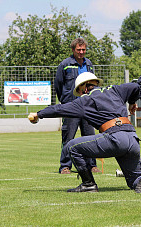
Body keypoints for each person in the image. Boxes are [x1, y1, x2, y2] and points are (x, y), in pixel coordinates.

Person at [28, 72, 141, 193]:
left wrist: (38, 114)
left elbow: (59, 109)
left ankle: (88, 184)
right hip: (132, 138)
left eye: (80, 91)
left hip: (116, 138)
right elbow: (136, 87)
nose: (80, 94)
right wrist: (132, 102)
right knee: (134, 182)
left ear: (84, 87)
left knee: (72, 147)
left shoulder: (85, 100)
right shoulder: (114, 90)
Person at [54, 37, 101, 174]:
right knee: (68, 137)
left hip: (87, 106)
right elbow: (58, 84)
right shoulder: (65, 64)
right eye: (78, 49)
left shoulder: (89, 64)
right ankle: (65, 166)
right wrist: (65, 102)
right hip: (71, 106)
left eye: (83, 49)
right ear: (73, 50)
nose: (81, 52)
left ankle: (92, 165)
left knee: (90, 137)